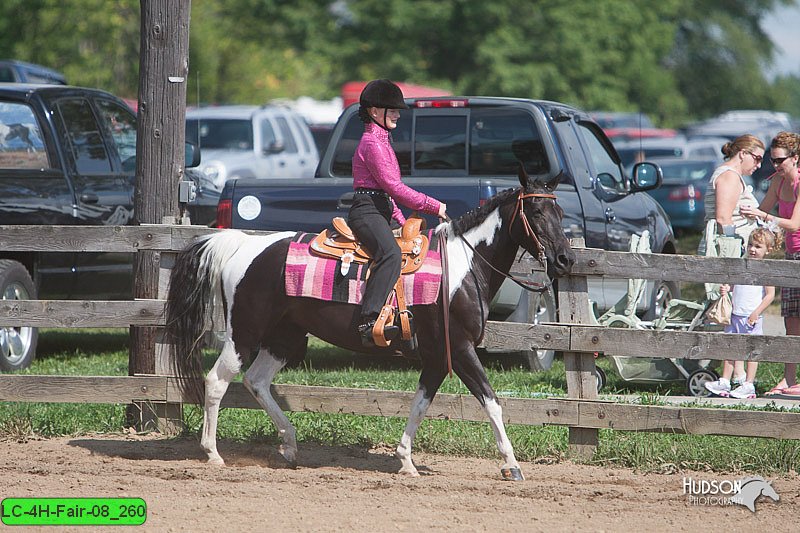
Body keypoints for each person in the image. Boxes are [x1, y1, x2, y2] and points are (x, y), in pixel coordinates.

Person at [348, 79, 447, 347]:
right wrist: (434, 206)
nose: (398, 114)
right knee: (390, 254)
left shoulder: (382, 142)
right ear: (374, 112)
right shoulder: (373, 144)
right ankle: (368, 322)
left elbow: (388, 195)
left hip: (380, 208)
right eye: (392, 109)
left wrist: (403, 222)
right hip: (366, 211)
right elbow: (395, 188)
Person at [741, 131, 800, 396]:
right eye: (772, 161)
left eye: (780, 161)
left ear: (795, 158)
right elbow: (763, 215)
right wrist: (747, 212)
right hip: (791, 256)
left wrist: (763, 214)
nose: (775, 166)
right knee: (790, 320)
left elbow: (794, 223)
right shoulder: (778, 182)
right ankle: (789, 379)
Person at [704, 228, 777, 398]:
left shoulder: (766, 270)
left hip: (751, 317)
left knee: (751, 350)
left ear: (768, 250)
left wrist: (756, 312)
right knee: (731, 347)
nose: (752, 249)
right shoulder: (742, 265)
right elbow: (735, 285)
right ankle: (725, 380)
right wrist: (727, 289)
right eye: (750, 245)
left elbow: (770, 295)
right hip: (735, 314)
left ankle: (749, 383)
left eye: (758, 246)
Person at [698, 134, 764, 255]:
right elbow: (723, 219)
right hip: (723, 250)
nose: (759, 165)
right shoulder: (730, 176)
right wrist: (734, 248)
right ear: (743, 153)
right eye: (757, 158)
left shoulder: (731, 175)